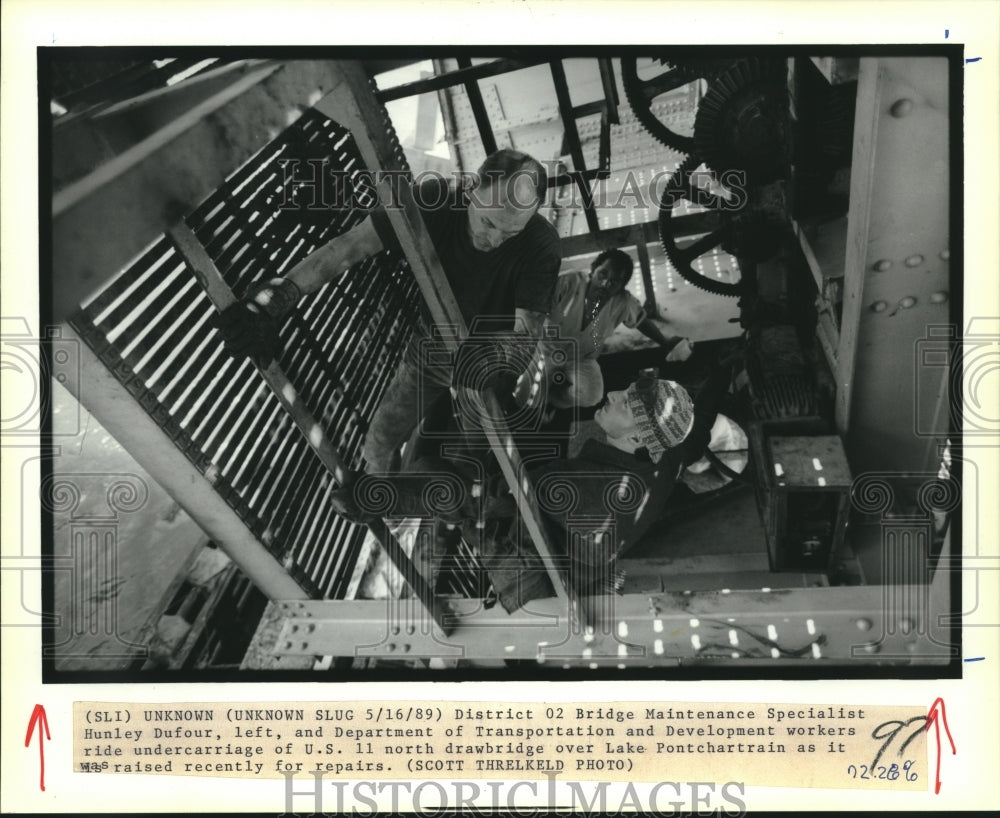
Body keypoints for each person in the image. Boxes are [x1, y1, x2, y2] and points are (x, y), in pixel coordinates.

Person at [215, 148, 562, 474]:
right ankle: (390, 508)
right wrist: (283, 295)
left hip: (487, 371)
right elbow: (353, 245)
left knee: (480, 461)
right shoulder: (434, 200)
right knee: (376, 448)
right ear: (471, 188)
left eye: (511, 232)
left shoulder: (540, 245)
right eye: (489, 223)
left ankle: (466, 511)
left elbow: (526, 335)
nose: (497, 239)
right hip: (431, 351)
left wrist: (483, 359)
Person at [334, 358, 735, 611]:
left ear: (636, 438)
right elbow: (694, 431)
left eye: (626, 403)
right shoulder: (664, 456)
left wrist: (378, 495)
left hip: (535, 578)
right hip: (570, 558)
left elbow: (478, 499)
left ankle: (381, 501)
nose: (613, 394)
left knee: (439, 473)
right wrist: (720, 371)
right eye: (627, 391)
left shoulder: (581, 486)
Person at [542, 248, 692, 408]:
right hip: (547, 351)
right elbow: (536, 307)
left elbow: (642, 321)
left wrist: (666, 342)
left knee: (591, 395)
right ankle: (544, 393)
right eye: (603, 274)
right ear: (593, 270)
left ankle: (553, 400)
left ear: (622, 286)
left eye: (615, 281)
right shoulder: (570, 282)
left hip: (582, 358)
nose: (606, 284)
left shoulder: (623, 302)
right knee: (528, 398)